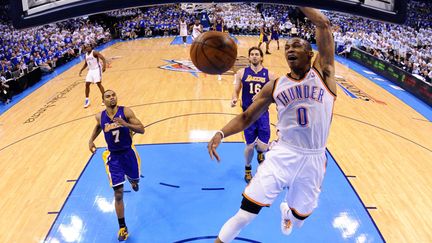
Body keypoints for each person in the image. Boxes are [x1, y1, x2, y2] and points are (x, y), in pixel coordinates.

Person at [207, 7, 337, 242]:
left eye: (296, 45)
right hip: (283, 154)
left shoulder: (324, 73)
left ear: (310, 53)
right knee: (245, 214)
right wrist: (220, 133)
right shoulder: (275, 85)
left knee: (299, 221)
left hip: (314, 158)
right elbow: (246, 117)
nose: (290, 49)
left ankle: (287, 210)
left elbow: (324, 24)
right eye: (287, 47)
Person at [88, 90, 145, 241]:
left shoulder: (125, 112)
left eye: (113, 95)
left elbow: (142, 129)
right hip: (113, 158)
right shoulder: (100, 116)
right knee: (118, 193)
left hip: (128, 153)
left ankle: (134, 181)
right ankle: (122, 227)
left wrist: (125, 124)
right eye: (108, 96)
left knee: (135, 180)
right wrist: (91, 140)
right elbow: (99, 126)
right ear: (103, 100)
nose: (112, 97)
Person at [231, 47, 278, 183]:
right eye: (252, 54)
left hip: (263, 114)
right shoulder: (241, 73)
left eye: (257, 54)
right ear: (249, 57)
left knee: (262, 147)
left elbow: (276, 94)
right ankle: (247, 168)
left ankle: (260, 153)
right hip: (248, 115)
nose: (254, 56)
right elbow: (236, 89)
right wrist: (234, 98)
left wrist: (265, 96)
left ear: (261, 57)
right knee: (250, 146)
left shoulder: (270, 75)